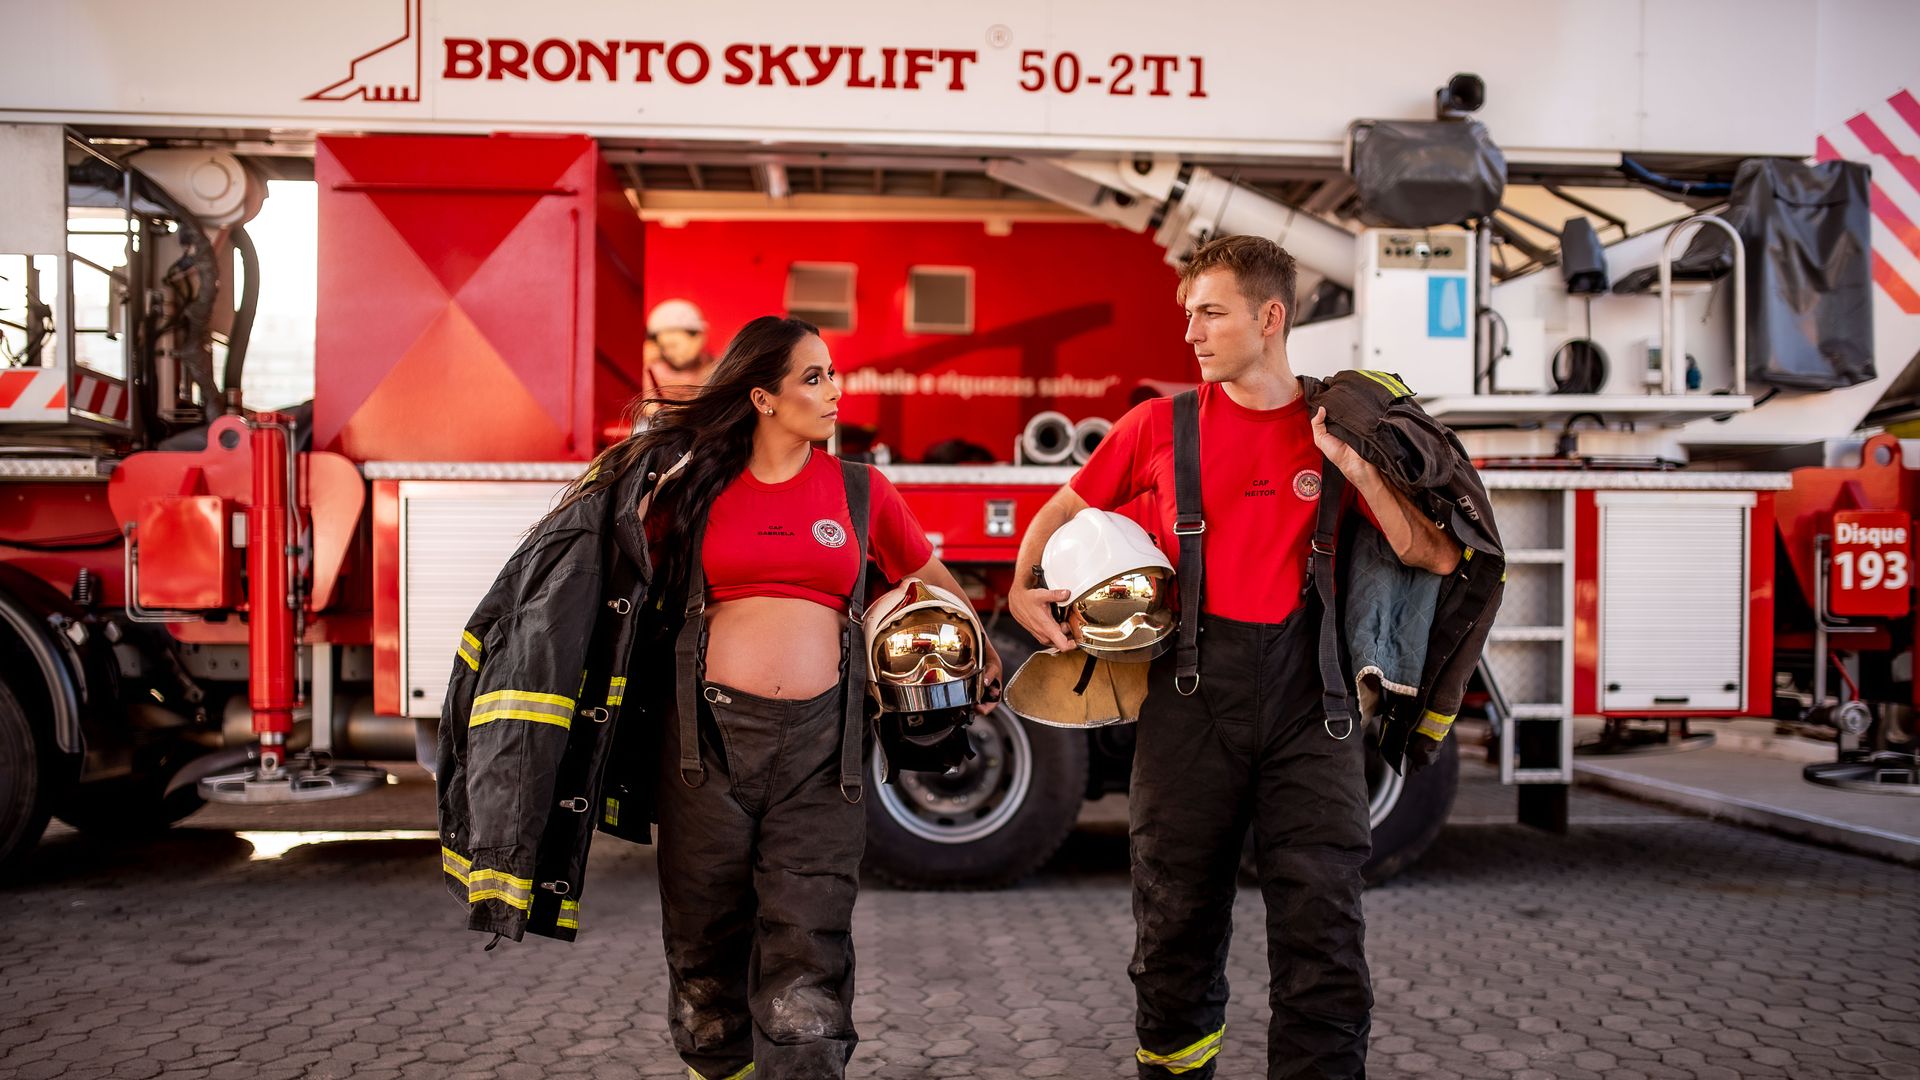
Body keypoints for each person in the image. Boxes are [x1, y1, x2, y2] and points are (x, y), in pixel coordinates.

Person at [1008, 235, 1460, 1080]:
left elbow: (1433, 555)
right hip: (1189, 709)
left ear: (1271, 317)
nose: (1193, 334)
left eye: (1211, 313)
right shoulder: (1158, 426)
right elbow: (1062, 506)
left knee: (1323, 935)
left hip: (1312, 707)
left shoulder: (1344, 427)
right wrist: (1020, 585)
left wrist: (1358, 472)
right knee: (1174, 929)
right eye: (1189, 315)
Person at [623, 315, 998, 1079]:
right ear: (762, 397)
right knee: (703, 946)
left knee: (809, 945)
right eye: (815, 377)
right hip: (705, 754)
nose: (835, 392)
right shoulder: (692, 487)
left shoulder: (860, 490)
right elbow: (612, 595)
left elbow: (934, 589)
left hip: (825, 757)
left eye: (833, 373)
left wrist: (977, 660)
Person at [644, 298, 721, 406]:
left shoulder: (718, 369)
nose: (669, 352)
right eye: (664, 347)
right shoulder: (651, 372)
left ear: (699, 338)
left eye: (674, 345)